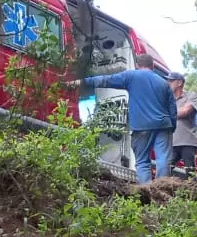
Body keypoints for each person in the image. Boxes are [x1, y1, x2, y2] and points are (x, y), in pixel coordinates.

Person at [71, 53, 177, 181]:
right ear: (153, 65)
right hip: (163, 126)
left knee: (143, 162)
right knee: (163, 159)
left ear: (137, 65)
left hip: (141, 126)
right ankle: (163, 187)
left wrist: (82, 82)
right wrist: (172, 127)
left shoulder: (131, 76)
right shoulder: (164, 83)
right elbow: (173, 109)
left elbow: (106, 80)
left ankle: (148, 191)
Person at [166, 71, 197, 170]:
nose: (168, 83)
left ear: (179, 83)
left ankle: (192, 186)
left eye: (171, 81)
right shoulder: (167, 99)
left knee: (190, 171)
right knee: (165, 169)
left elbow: (185, 112)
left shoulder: (191, 96)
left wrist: (167, 114)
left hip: (187, 141)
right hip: (172, 142)